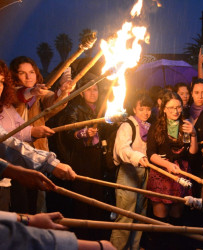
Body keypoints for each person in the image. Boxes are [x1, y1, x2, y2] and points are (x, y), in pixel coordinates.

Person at [55, 77, 109, 240]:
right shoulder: (74, 108)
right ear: (81, 92)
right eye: (88, 90)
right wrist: (83, 133)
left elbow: (108, 130)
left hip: (97, 159)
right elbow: (67, 132)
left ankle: (95, 237)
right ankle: (81, 239)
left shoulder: (102, 108)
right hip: (80, 159)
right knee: (82, 199)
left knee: (97, 198)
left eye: (95, 89)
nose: (93, 93)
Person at [110, 93, 153, 250]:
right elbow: (121, 149)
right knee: (125, 217)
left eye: (148, 109)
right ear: (134, 108)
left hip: (145, 173)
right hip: (128, 172)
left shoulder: (150, 126)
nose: (145, 113)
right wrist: (137, 156)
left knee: (140, 216)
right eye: (141, 109)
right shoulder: (127, 125)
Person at [146, 91, 197, 222]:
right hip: (162, 174)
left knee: (176, 219)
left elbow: (191, 154)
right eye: (171, 107)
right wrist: (167, 164)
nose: (176, 111)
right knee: (160, 220)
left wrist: (194, 135)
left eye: (179, 107)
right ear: (164, 109)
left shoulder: (185, 125)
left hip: (180, 174)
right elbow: (151, 154)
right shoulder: (156, 127)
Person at [9, 56, 74, 151]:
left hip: (39, 149)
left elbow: (53, 102)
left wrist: (63, 90)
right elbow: (18, 95)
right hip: (14, 150)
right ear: (14, 75)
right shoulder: (8, 94)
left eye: (31, 72)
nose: (28, 77)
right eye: (22, 73)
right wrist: (32, 91)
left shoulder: (40, 94)